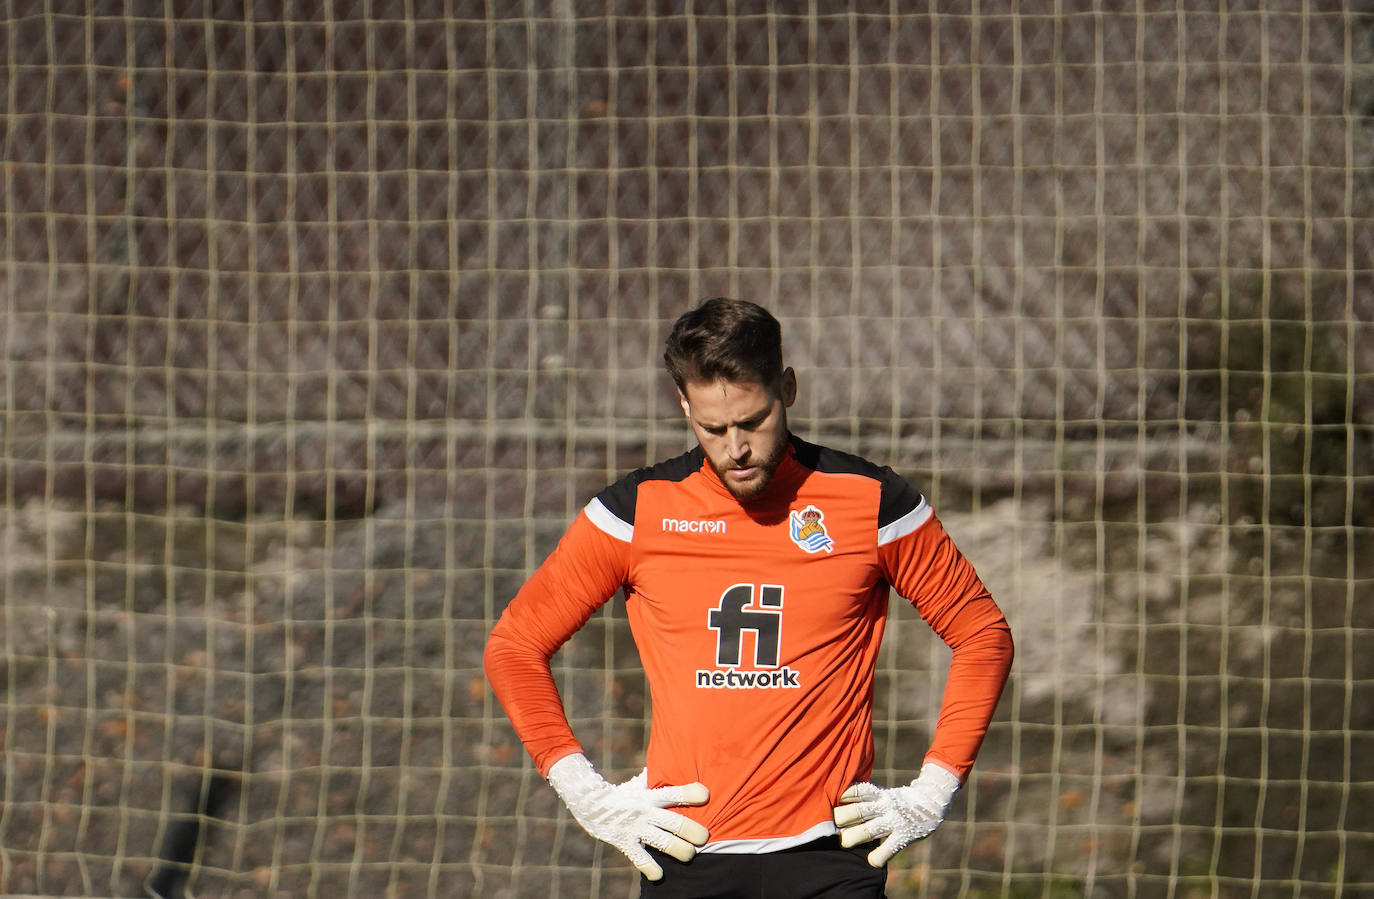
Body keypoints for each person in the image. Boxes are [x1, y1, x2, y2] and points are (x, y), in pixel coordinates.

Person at [484, 298, 1013, 897]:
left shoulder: (872, 502)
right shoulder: (634, 513)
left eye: (753, 421)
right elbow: (515, 646)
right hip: (685, 854)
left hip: (831, 857)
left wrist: (932, 792)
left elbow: (982, 634)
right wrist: (586, 794)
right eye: (712, 427)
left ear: (786, 388)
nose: (736, 447)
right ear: (684, 406)